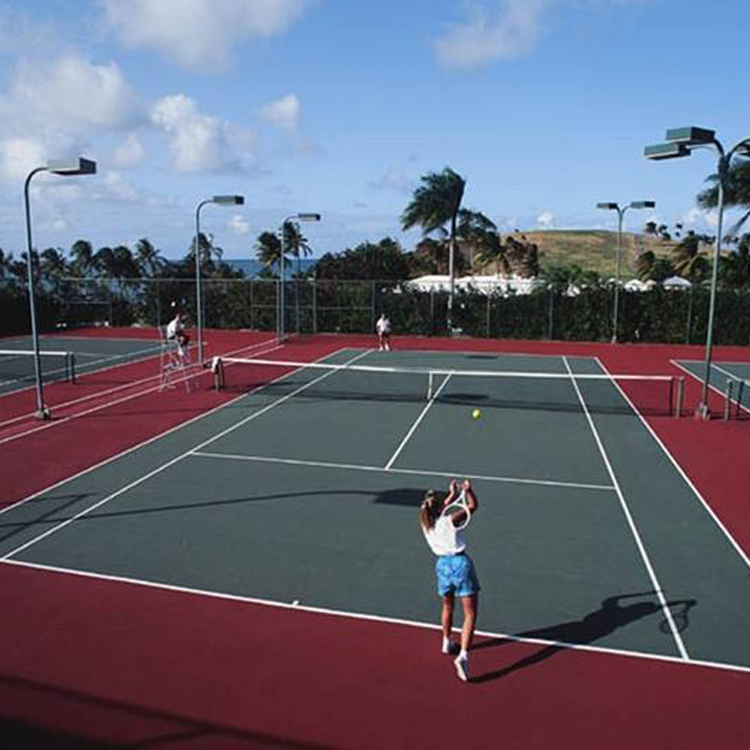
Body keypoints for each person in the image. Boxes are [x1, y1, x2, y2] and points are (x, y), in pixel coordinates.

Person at [419, 479, 480, 682]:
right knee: (470, 613)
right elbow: (473, 506)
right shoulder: (451, 520)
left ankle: (446, 641)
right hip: (460, 565)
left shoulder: (425, 523)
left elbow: (437, 508)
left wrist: (452, 495)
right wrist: (468, 491)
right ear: (440, 507)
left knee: (447, 606)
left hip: (442, 567)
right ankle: (463, 656)